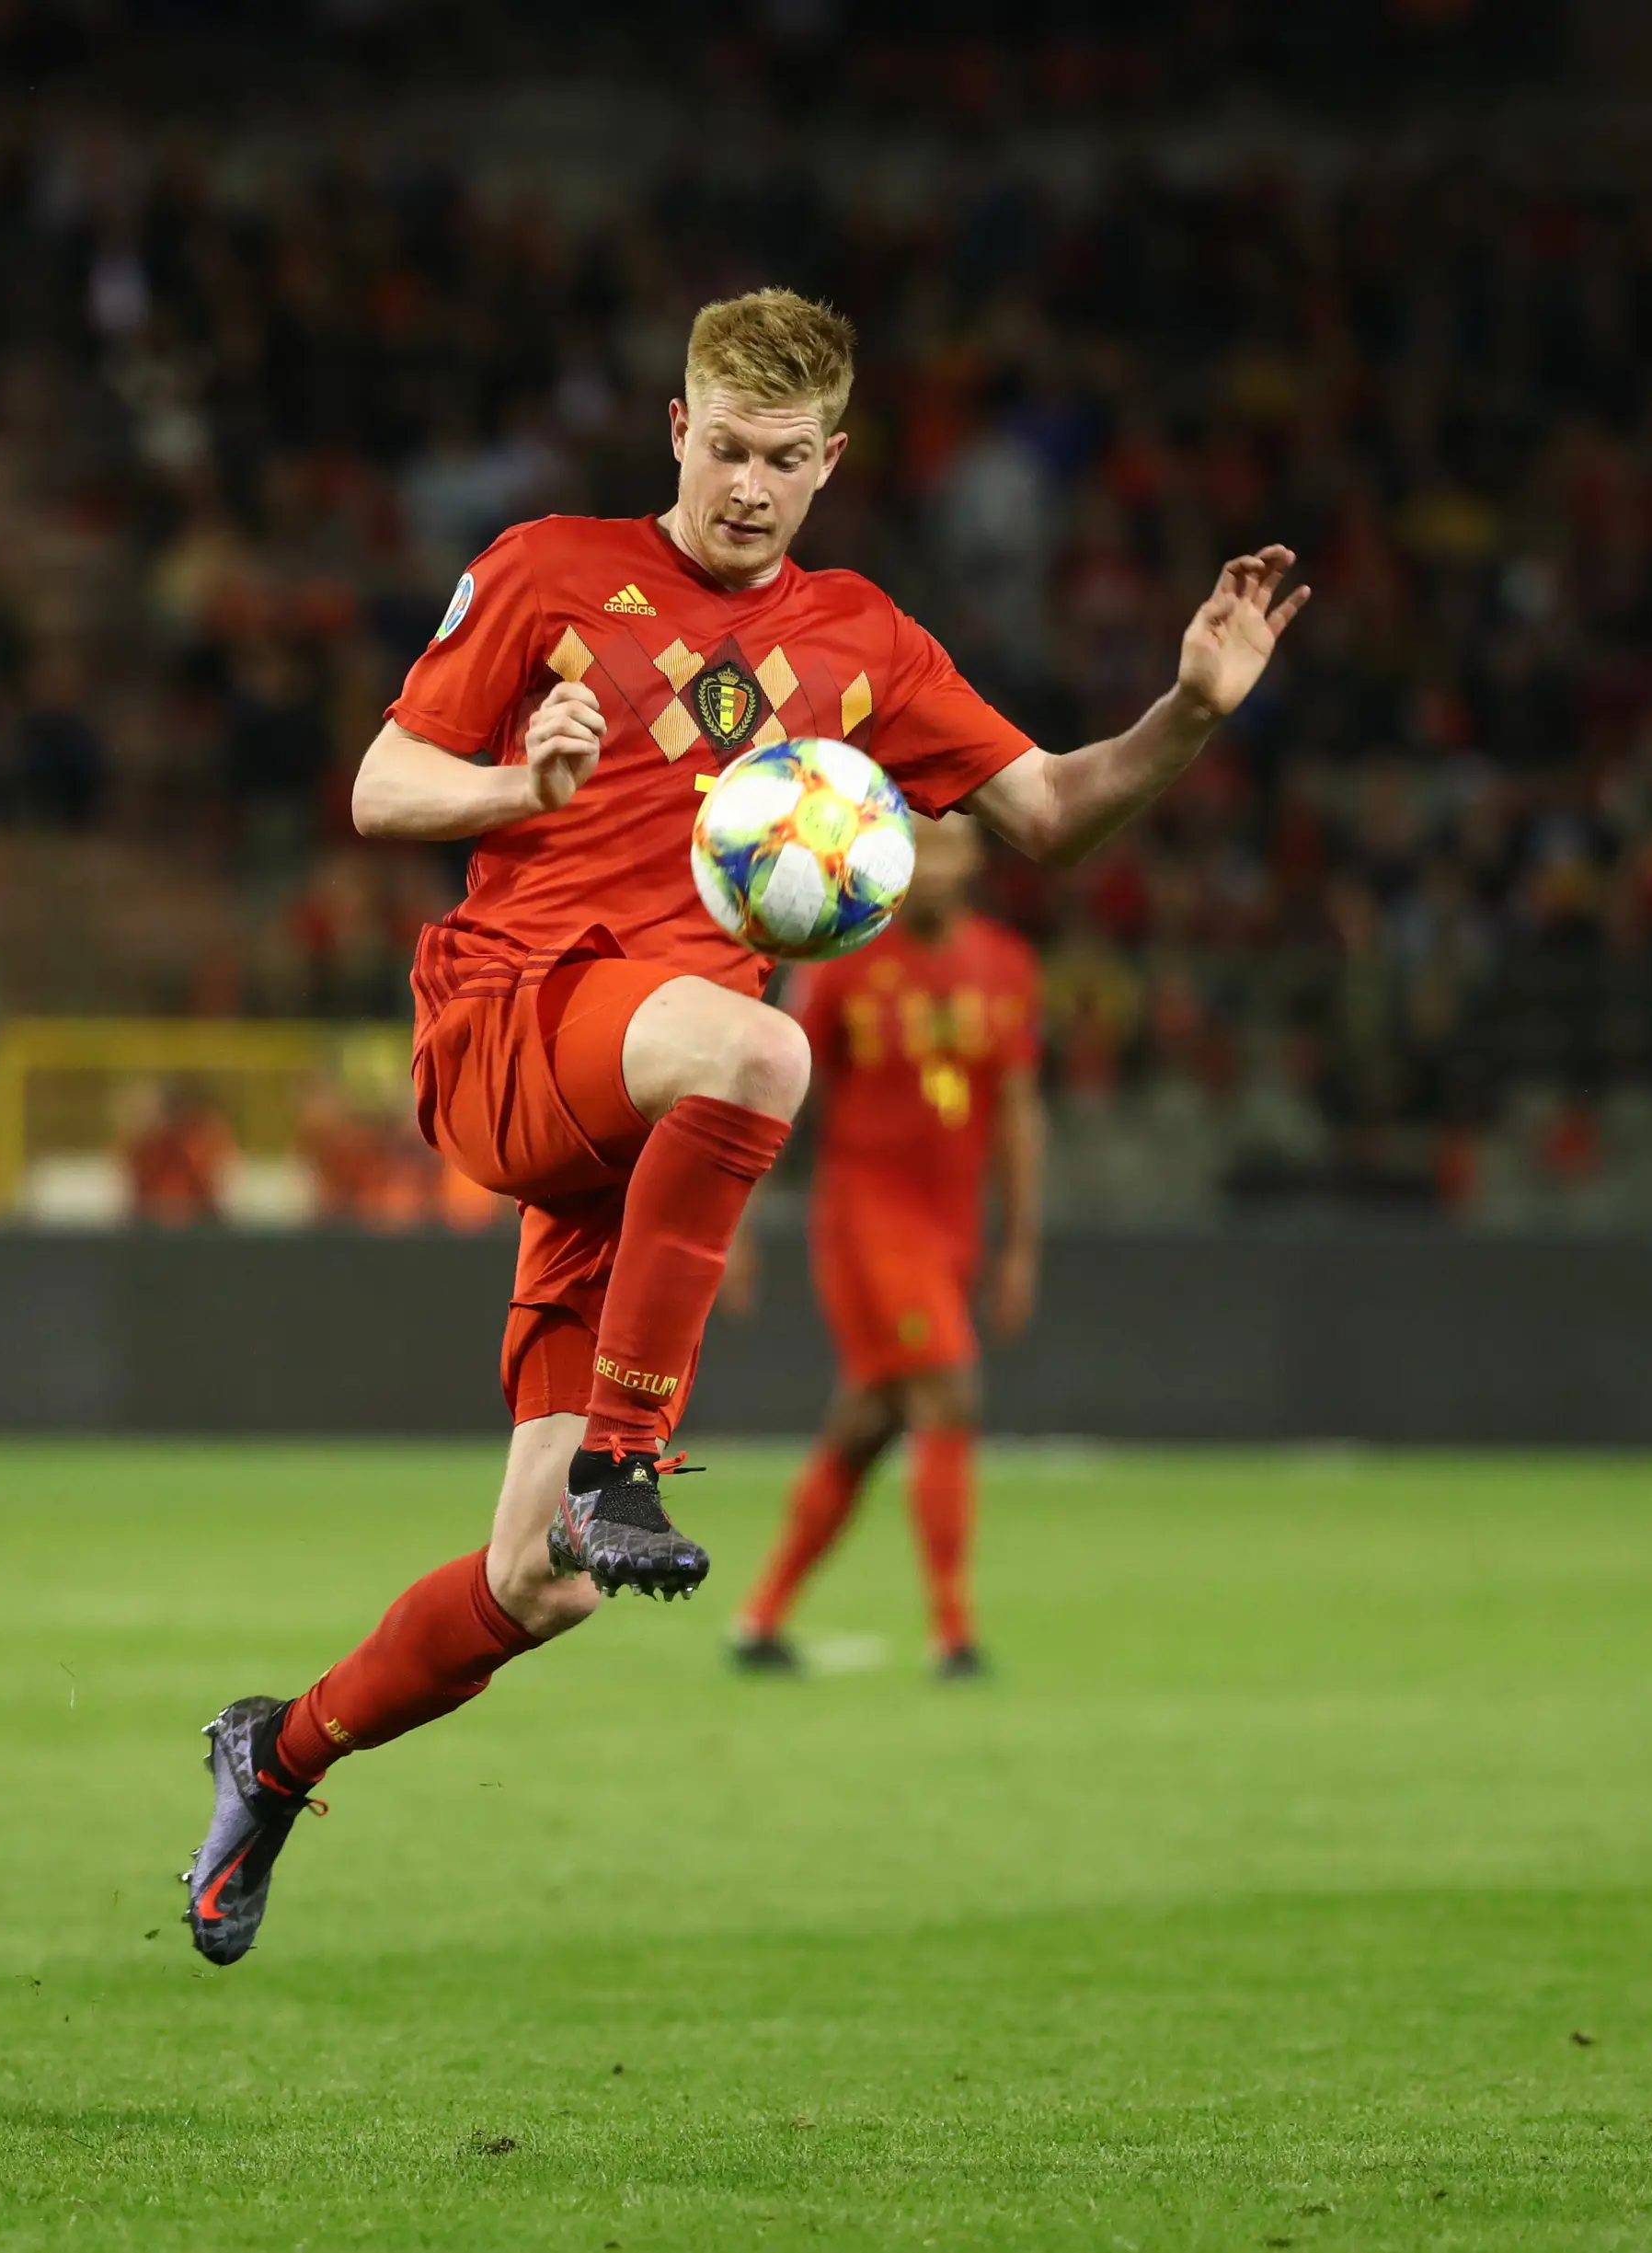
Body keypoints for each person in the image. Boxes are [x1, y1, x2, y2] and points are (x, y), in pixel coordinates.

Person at [181, 289, 1307, 1962]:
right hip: (513, 1019)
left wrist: (1194, 713)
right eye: (724, 449)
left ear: (833, 458)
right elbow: (379, 784)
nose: (748, 488)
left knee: (539, 1582)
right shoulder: (550, 570)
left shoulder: (868, 642)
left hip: (642, 1114)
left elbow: (1055, 810)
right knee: (763, 1047)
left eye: (785, 459)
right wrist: (517, 787)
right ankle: (635, 1453)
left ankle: (274, 1756)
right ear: (675, 429)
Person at [728, 813, 1044, 1680]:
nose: (935, 864)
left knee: (869, 1421)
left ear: (976, 859)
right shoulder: (841, 960)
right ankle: (954, 1632)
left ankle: (759, 1619)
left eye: (951, 846)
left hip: (953, 1228)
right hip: (867, 1220)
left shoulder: (1006, 965)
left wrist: (1019, 1243)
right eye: (921, 846)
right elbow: (777, 1097)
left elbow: (1016, 1114)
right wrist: (736, 1220)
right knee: (949, 1389)